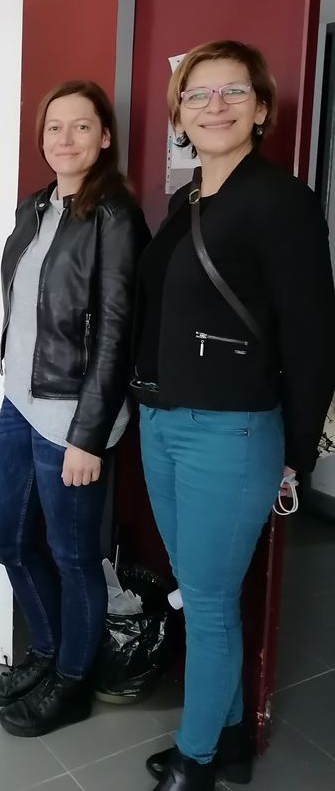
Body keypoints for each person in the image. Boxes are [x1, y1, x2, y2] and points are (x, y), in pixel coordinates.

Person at [131, 40, 335, 791]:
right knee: (203, 590)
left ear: (261, 109)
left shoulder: (282, 202)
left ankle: (195, 761)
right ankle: (229, 740)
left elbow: (313, 337)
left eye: (234, 91)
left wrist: (297, 453)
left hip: (231, 431)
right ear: (179, 114)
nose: (214, 105)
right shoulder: (186, 202)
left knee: (210, 602)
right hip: (162, 422)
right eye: (197, 93)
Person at [0, 80, 150, 737]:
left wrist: (89, 435)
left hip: (73, 416)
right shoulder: (35, 208)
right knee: (6, 536)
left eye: (82, 126)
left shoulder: (116, 216)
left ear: (104, 137)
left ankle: (73, 681)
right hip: (20, 400)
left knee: (74, 556)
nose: (66, 138)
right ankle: (48, 654)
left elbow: (116, 331)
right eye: (55, 127)